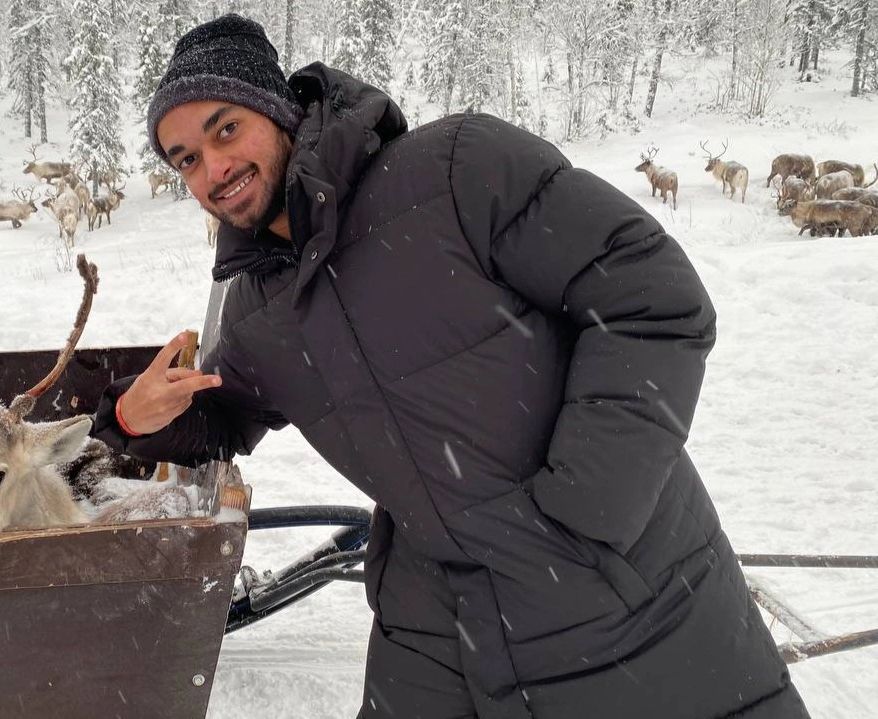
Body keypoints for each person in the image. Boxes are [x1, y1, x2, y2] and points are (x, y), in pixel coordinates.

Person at [90, 13, 810, 719]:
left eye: (225, 128)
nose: (213, 168)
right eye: (185, 157)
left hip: (626, 582)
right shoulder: (254, 309)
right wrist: (133, 416)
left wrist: (582, 517)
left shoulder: (457, 170)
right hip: (434, 614)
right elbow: (227, 418)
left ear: (278, 110)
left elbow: (648, 293)